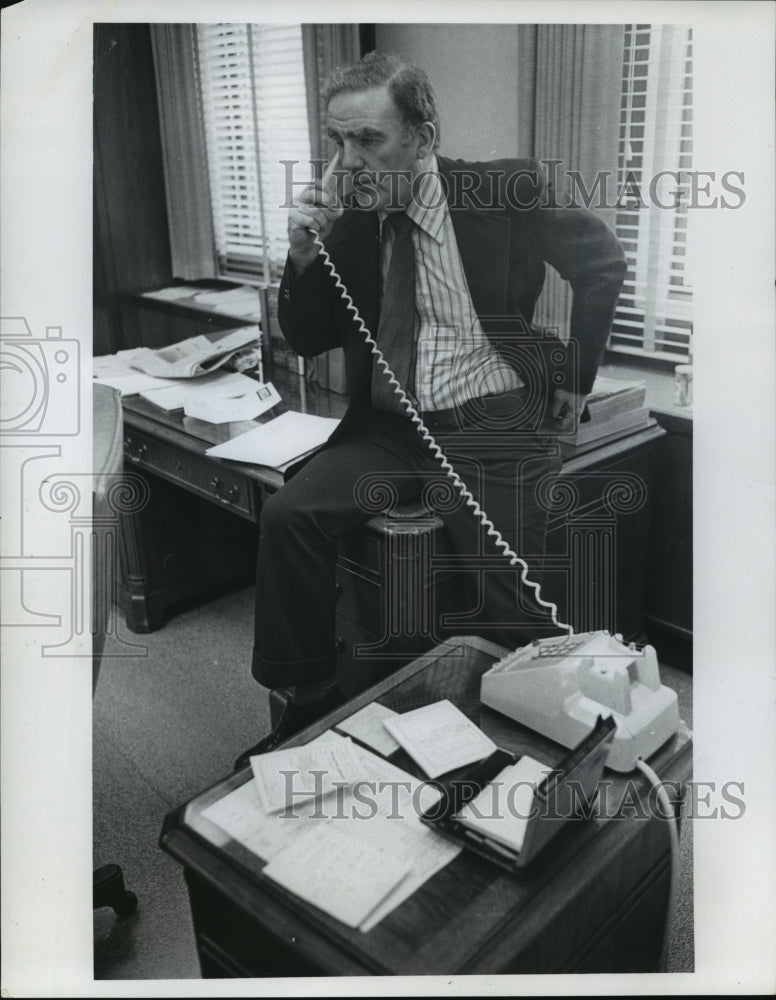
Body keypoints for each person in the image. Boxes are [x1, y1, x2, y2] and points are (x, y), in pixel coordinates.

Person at [236, 52, 626, 763]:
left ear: (423, 134)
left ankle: (525, 760)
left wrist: (577, 378)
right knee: (288, 517)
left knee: (511, 602)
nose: (348, 163)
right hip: (391, 429)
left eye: (369, 140)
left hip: (490, 419)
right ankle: (307, 708)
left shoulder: (505, 190)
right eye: (337, 141)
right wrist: (300, 257)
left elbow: (601, 263)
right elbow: (311, 334)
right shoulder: (349, 220)